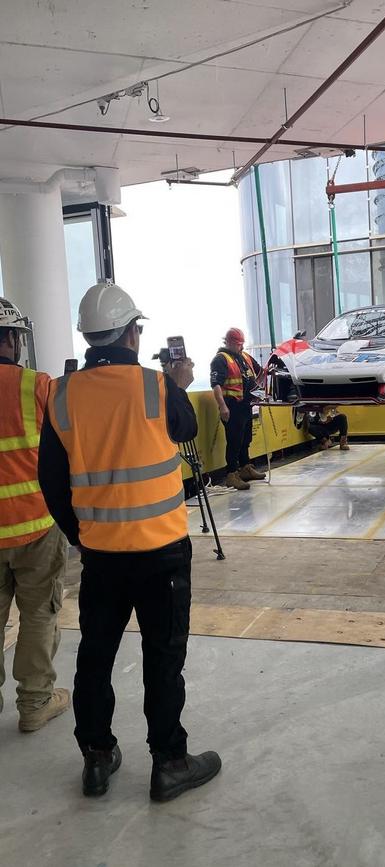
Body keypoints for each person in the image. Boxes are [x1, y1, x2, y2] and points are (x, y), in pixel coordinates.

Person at [38, 281, 221, 802]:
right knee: (162, 657)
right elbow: (185, 427)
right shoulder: (157, 386)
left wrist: (83, 535)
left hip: (100, 556)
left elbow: (51, 480)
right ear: (131, 333)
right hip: (161, 553)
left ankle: (96, 757)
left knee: (95, 655)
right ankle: (170, 762)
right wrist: (181, 381)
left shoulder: (62, 393)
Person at [0, 298, 70, 733]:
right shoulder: (36, 385)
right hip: (34, 525)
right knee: (39, 614)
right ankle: (34, 703)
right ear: (10, 339)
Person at [210, 327, 266, 490]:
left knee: (245, 439)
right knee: (234, 441)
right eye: (237, 344)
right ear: (227, 343)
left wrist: (260, 389)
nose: (240, 347)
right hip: (232, 406)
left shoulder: (245, 357)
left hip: (246, 405)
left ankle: (245, 467)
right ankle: (231, 474)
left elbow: (260, 372)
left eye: (242, 344)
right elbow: (216, 385)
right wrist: (222, 406)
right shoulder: (220, 359)